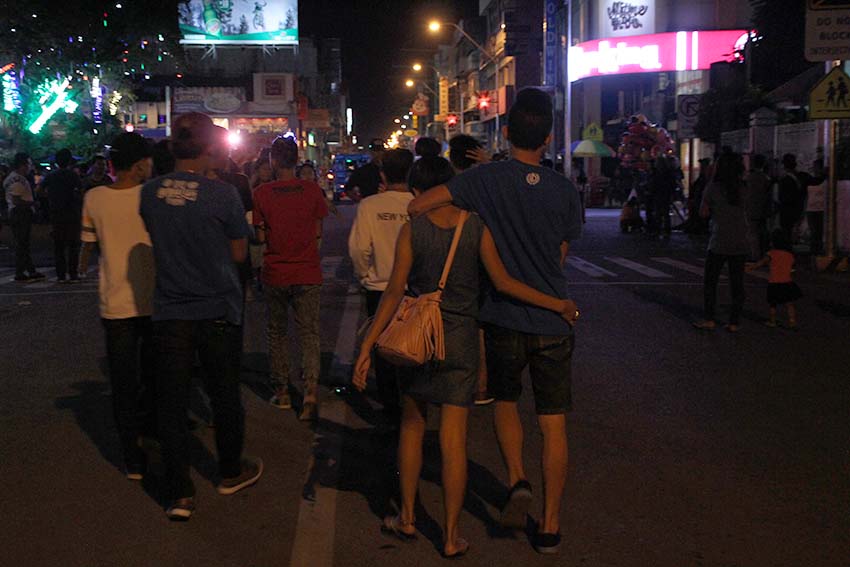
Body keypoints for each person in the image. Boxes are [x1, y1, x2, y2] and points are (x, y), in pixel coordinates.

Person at [354, 155, 578, 559]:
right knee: (454, 439)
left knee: (412, 424)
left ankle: (406, 517)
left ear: (421, 190)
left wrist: (368, 346)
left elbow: (392, 293)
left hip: (418, 338)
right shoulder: (476, 229)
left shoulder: (413, 230)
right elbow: (504, 283)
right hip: (459, 340)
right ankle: (452, 535)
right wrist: (557, 304)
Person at [408, 88, 583, 554]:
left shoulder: (485, 179)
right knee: (553, 423)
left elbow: (418, 206)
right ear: (547, 136)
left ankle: (517, 477)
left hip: (502, 316)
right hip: (553, 319)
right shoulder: (565, 190)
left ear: (505, 133)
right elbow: (560, 257)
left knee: (505, 400)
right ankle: (549, 524)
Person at [139, 112, 261, 521]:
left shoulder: (149, 193)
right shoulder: (222, 194)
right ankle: (229, 470)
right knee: (224, 393)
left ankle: (180, 494)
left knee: (171, 402)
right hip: (216, 307)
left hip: (170, 308)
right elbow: (240, 253)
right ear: (209, 148)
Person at [78, 133, 157, 480]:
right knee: (155, 376)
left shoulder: (94, 197)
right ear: (140, 164)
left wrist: (82, 266)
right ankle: (156, 434)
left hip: (115, 305)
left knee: (123, 383)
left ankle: (132, 457)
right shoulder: (152, 196)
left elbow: (86, 249)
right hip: (154, 303)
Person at [253, 136, 329, 421]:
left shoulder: (262, 193)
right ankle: (309, 392)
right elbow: (318, 233)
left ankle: (282, 391)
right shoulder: (312, 191)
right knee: (309, 332)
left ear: (273, 160)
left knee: (278, 332)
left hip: (275, 271)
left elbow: (260, 237)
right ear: (296, 160)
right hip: (307, 270)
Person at [348, 149, 415, 424]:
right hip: (413, 289)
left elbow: (359, 249)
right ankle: (413, 406)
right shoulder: (420, 203)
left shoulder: (370, 205)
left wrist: (365, 276)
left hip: (380, 289)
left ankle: (391, 409)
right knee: (415, 348)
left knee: (384, 352)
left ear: (383, 174)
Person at [448, 134, 493, 405]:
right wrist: (488, 164)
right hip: (485, 258)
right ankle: (482, 385)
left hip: (452, 257)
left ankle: (451, 382)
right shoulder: (489, 182)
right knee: (481, 325)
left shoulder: (449, 185)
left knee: (452, 319)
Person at [693, 151, 750, 333]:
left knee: (711, 282)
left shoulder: (713, 188)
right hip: (741, 239)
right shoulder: (743, 187)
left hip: (719, 240)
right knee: (737, 283)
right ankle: (734, 322)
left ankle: (710, 319)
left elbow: (703, 213)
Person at [42, 148, 84, 283]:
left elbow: (39, 190)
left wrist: (51, 198)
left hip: (57, 213)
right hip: (72, 213)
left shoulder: (51, 176)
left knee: (59, 246)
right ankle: (73, 274)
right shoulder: (73, 176)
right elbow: (81, 192)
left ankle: (61, 275)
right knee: (73, 245)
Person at [747, 229, 802, 329]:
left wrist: (750, 267)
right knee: (789, 303)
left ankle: (772, 321)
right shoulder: (790, 255)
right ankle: (792, 321)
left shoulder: (771, 254)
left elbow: (761, 263)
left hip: (775, 282)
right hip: (787, 282)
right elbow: (791, 266)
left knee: (773, 304)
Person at [3, 153, 45, 282]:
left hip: (18, 213)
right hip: (20, 213)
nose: (30, 167)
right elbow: (16, 200)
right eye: (28, 163)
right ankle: (20, 271)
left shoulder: (13, 178)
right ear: (22, 165)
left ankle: (28, 270)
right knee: (22, 243)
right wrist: (32, 203)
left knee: (23, 243)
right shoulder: (17, 180)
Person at [777, 154, 823, 242]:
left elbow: (781, 197)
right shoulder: (802, 176)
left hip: (786, 210)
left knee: (787, 232)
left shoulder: (783, 179)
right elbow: (816, 181)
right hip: (799, 208)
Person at [744, 154, 771, 259]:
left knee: (752, 232)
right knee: (763, 232)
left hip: (750, 208)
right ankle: (764, 253)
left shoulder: (748, 178)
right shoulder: (766, 178)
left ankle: (754, 254)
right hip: (763, 209)